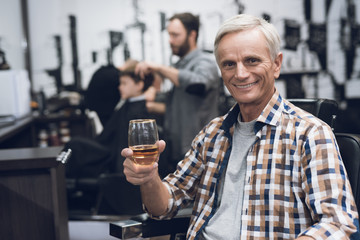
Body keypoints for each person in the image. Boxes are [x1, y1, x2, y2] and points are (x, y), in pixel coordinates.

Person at [121, 14, 360, 239]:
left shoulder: (310, 134)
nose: (241, 74)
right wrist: (150, 178)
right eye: (229, 64)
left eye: (252, 60)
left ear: (276, 64)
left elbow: (338, 223)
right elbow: (164, 206)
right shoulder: (212, 134)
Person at [135, 12, 220, 171]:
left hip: (200, 151)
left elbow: (199, 83)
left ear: (192, 35)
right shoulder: (179, 66)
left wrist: (158, 67)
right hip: (178, 150)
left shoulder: (205, 61)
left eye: (175, 35)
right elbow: (177, 105)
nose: (170, 40)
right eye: (169, 35)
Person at [65, 60, 155, 179]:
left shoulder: (136, 113)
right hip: (108, 149)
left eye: (124, 83)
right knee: (74, 146)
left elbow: (123, 147)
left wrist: (118, 177)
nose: (119, 87)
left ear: (139, 85)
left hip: (111, 157)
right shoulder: (129, 106)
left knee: (74, 145)